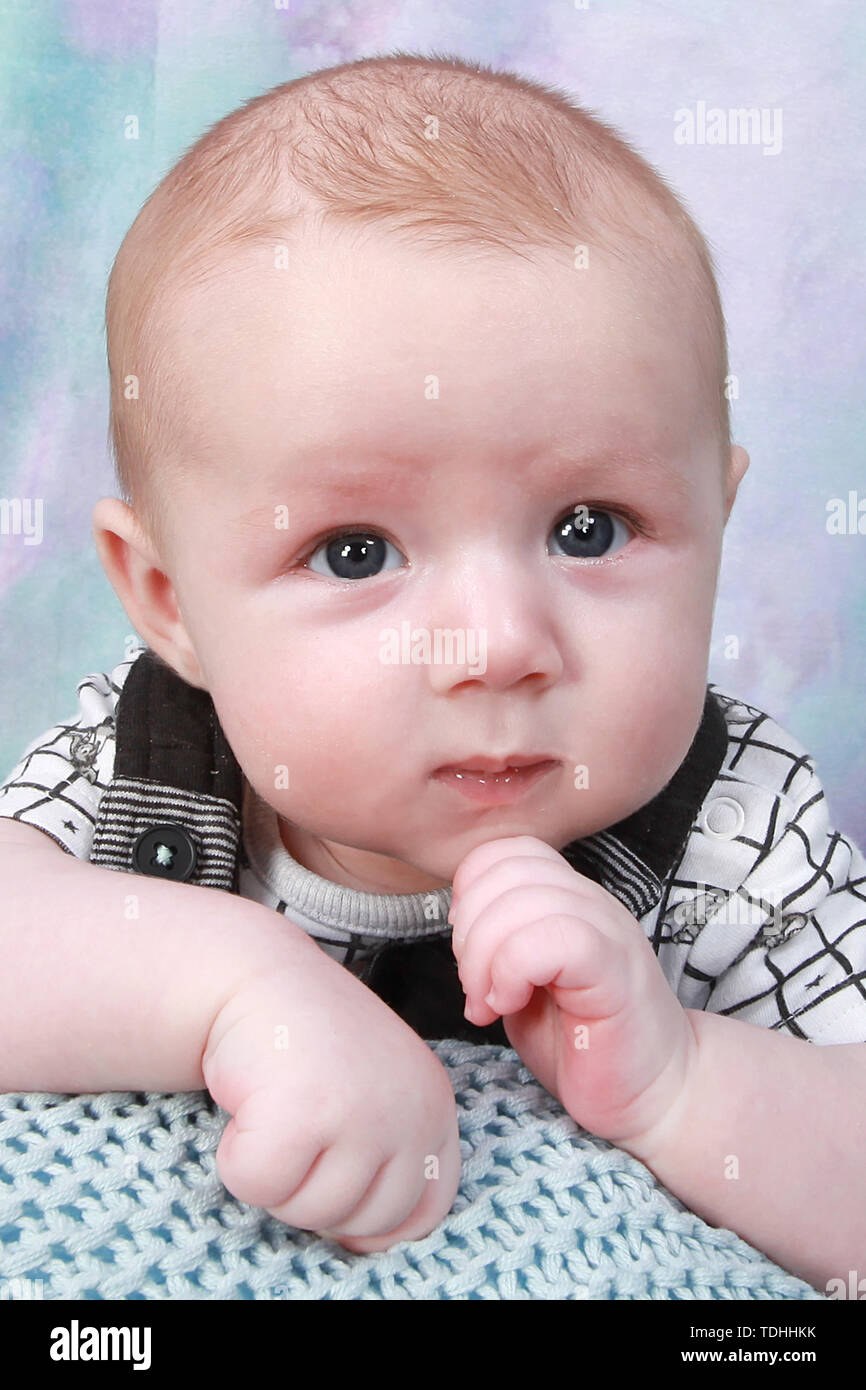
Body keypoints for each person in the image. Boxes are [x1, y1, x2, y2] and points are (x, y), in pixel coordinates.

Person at [1, 52, 864, 1289]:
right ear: (167, 602)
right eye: (355, 552)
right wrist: (235, 989)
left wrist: (680, 1080)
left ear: (715, 527)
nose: (495, 644)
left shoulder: (734, 823)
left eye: (589, 528)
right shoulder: (151, 760)